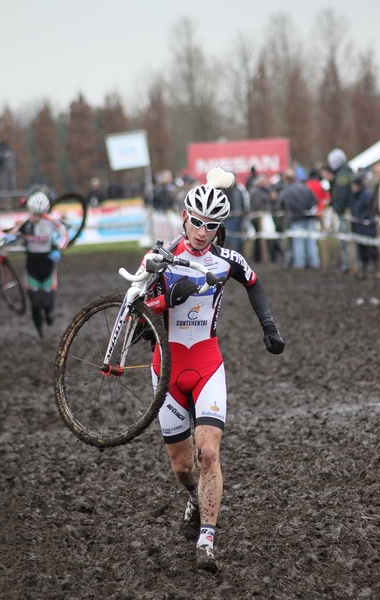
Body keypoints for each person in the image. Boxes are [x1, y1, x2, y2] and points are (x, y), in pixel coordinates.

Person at [143, 167, 285, 573]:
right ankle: (193, 498)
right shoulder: (159, 258)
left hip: (207, 363)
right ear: (185, 216)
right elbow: (136, 314)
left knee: (208, 452)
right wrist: (168, 296)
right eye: (197, 222)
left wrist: (269, 327)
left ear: (220, 227)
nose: (203, 231)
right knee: (183, 466)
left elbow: (254, 283)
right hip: (167, 366)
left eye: (212, 225)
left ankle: (207, 538)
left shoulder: (227, 260)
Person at [2, 191, 69, 338]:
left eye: (40, 215)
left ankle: (49, 314)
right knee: (35, 303)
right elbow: (5, 234)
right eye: (34, 214)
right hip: (31, 265)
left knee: (47, 304)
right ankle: (40, 334)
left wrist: (59, 250)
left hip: (48, 265)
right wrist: (7, 240)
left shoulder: (51, 221)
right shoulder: (22, 222)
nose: (36, 218)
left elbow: (65, 235)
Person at [279, 169, 320, 269]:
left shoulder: (287, 190)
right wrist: (308, 210)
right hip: (309, 217)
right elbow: (314, 200)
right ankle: (314, 262)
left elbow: (288, 204)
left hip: (296, 218)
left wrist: (300, 211)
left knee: (298, 242)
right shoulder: (305, 187)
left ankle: (300, 264)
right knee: (311, 241)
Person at [327, 148, 353, 273]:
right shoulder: (344, 172)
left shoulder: (342, 175)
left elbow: (342, 194)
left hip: (344, 213)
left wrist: (338, 208)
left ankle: (349, 264)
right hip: (344, 211)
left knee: (346, 241)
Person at [350, 174, 379, 279]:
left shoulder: (366, 195)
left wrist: (368, 220)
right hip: (358, 227)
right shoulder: (354, 196)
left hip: (367, 227)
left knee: (372, 250)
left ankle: (376, 270)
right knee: (362, 251)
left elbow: (371, 209)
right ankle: (364, 271)